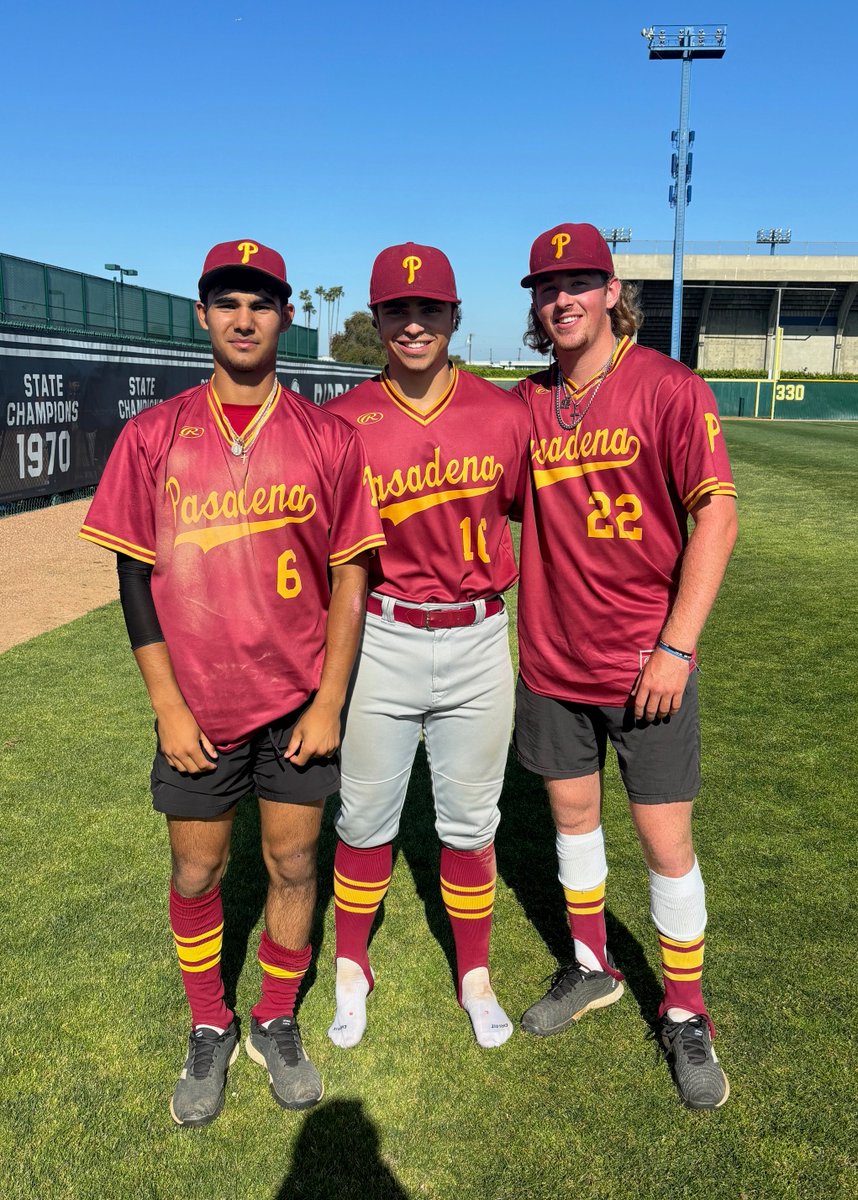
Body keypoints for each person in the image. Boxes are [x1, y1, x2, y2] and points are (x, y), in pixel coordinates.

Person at [79, 239, 385, 1126]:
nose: (244, 317)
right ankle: (209, 1025)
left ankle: (275, 1018)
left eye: (261, 301)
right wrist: (167, 706)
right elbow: (134, 577)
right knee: (196, 870)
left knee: (292, 864)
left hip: (297, 705)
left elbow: (350, 576)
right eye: (228, 301)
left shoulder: (328, 437)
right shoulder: (154, 434)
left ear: (285, 316)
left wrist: (331, 699)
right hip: (198, 711)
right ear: (203, 315)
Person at [512, 222, 738, 1109]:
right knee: (574, 826)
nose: (561, 298)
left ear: (611, 291)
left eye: (579, 282)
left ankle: (685, 1011)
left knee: (664, 844)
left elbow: (715, 519)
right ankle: (592, 966)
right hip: (552, 662)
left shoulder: (671, 388)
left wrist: (678, 646)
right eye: (545, 286)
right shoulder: (527, 403)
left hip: (649, 664)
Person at [325, 242, 531, 1049]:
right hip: (383, 634)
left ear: (453, 316)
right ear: (376, 320)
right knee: (366, 817)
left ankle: (474, 974)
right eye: (397, 311)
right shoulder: (343, 421)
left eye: (429, 310)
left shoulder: (504, 414)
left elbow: (530, 522)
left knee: (471, 825)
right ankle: (350, 967)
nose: (413, 324)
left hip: (479, 636)